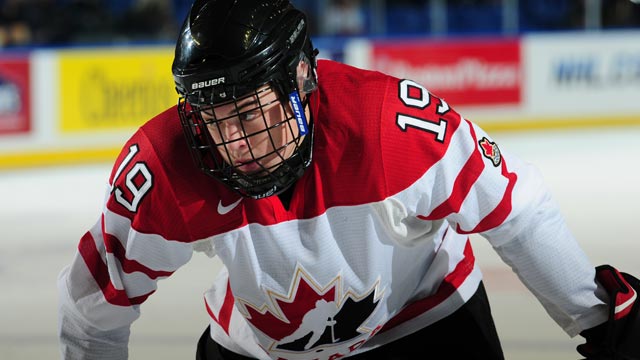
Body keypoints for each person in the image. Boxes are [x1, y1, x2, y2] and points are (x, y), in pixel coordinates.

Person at [57, 0, 640, 359]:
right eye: (212, 117)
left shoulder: (390, 127)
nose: (232, 142)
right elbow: (93, 305)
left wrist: (597, 318)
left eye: (249, 111)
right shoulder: (162, 168)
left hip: (427, 327)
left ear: (302, 79)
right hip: (259, 351)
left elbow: (516, 209)